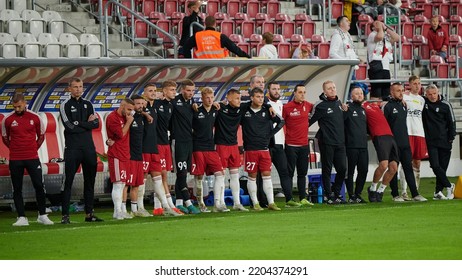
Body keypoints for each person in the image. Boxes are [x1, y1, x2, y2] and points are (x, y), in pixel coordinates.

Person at [2, 93, 53, 226]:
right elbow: (5, 137)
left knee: (39, 186)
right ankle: (21, 217)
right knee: (17, 188)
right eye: (15, 107)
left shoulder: (35, 117)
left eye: (19, 106)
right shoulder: (7, 119)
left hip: (32, 158)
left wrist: (33, 148)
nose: (17, 109)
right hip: (15, 159)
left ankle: (42, 215)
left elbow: (41, 135)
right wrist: (15, 148)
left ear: (25, 103)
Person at [59, 78, 102, 224]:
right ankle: (65, 215)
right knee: (68, 182)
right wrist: (87, 124)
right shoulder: (65, 105)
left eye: (80, 87)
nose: (78, 89)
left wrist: (80, 123)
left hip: (89, 149)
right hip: (72, 149)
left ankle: (89, 214)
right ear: (69, 88)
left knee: (90, 182)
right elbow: (69, 127)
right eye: (75, 87)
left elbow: (96, 124)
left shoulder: (88, 104)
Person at [241, 87, 285, 211]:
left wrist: (270, 134)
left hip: (264, 149)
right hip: (250, 149)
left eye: (262, 97)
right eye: (258, 97)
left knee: (267, 175)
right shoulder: (244, 109)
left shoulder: (267, 109)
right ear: (251, 98)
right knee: (252, 176)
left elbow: (281, 121)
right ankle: (255, 203)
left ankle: (271, 202)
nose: (260, 99)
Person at [383, 83, 427, 202]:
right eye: (398, 91)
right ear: (392, 92)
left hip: (405, 143)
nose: (401, 93)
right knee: (393, 169)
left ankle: (415, 194)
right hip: (393, 144)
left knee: (408, 168)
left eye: (402, 90)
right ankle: (395, 195)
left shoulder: (403, 105)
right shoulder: (387, 107)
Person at [142, 83, 181, 217]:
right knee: (155, 175)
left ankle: (161, 207)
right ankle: (165, 206)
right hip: (154, 145)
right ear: (163, 91)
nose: (174, 92)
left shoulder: (170, 105)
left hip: (165, 143)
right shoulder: (153, 104)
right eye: (171, 89)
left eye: (175, 90)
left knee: (161, 175)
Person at [191, 87, 229, 213]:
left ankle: (218, 203)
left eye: (212, 97)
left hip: (211, 148)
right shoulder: (196, 110)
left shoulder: (215, 109)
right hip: (197, 148)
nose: (210, 100)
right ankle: (201, 204)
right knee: (199, 176)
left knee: (220, 174)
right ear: (202, 98)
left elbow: (228, 103)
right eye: (207, 97)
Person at [309, 81, 347, 204]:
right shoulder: (320, 105)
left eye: (334, 88)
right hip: (326, 142)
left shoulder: (339, 103)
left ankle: (336, 193)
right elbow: (308, 121)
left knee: (342, 169)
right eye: (329, 88)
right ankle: (328, 195)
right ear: (324, 91)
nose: (332, 90)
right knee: (327, 169)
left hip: (340, 142)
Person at [214, 89, 249, 211]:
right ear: (228, 99)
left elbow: (258, 101)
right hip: (221, 146)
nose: (239, 101)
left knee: (235, 175)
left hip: (234, 146)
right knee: (220, 176)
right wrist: (215, 103)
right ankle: (219, 203)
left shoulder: (241, 108)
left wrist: (268, 106)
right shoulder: (220, 108)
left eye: (240, 98)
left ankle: (237, 203)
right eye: (236, 98)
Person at [170, 79, 200, 214]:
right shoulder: (174, 102)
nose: (191, 93)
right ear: (182, 90)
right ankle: (188, 203)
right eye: (188, 90)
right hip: (178, 141)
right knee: (181, 173)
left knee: (184, 174)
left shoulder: (192, 104)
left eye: (193, 91)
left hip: (189, 141)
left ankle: (179, 203)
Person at [282, 84, 315, 206]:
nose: (302, 94)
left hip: (304, 145)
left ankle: (303, 198)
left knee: (302, 173)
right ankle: (289, 199)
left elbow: (319, 106)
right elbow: (280, 122)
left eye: (304, 92)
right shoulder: (287, 107)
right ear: (294, 93)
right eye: (300, 92)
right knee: (289, 173)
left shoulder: (308, 105)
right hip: (291, 145)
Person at [422, 84, 456, 200]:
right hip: (431, 141)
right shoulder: (424, 103)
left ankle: (437, 192)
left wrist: (451, 137)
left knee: (442, 168)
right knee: (435, 166)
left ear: (438, 92)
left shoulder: (446, 105)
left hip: (445, 140)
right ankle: (449, 185)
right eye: (430, 94)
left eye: (434, 94)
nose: (432, 96)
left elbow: (452, 121)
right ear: (426, 94)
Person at [362, 97, 398, 202]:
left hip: (390, 136)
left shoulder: (379, 106)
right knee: (383, 165)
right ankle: (372, 189)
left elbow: (389, 102)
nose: (375, 101)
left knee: (393, 168)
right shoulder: (363, 106)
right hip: (379, 136)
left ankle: (380, 191)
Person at [106, 98, 135, 219]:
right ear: (122, 106)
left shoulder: (126, 116)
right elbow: (121, 134)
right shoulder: (112, 117)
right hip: (116, 154)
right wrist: (129, 122)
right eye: (128, 109)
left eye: (131, 110)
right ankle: (117, 211)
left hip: (125, 154)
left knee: (123, 183)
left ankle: (119, 210)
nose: (130, 113)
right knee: (118, 184)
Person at [400, 76, 427, 199]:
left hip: (419, 133)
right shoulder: (404, 97)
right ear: (409, 85)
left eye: (419, 83)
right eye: (415, 83)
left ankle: (415, 191)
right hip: (407, 132)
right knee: (406, 161)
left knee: (417, 162)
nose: (417, 86)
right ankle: (404, 191)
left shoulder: (422, 100)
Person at [183, 15, 251, 59]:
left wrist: (189, 60)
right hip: (218, 67)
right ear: (215, 24)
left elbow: (185, 47)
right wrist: (247, 56)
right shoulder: (220, 36)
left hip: (200, 67)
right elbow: (234, 49)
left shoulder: (197, 36)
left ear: (205, 24)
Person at [343, 87, 368, 203]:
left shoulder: (363, 110)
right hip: (351, 146)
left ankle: (358, 194)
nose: (359, 95)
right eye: (357, 94)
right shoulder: (347, 108)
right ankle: (351, 195)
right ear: (352, 97)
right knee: (350, 172)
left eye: (361, 93)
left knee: (363, 171)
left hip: (363, 146)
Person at [367, 20, 400, 100]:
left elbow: (397, 37)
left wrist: (386, 29)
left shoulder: (386, 37)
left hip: (385, 67)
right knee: (376, 91)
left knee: (386, 92)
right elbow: (379, 37)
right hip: (376, 65)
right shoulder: (372, 35)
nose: (380, 24)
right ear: (373, 27)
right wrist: (380, 28)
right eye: (377, 23)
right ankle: (374, 108)